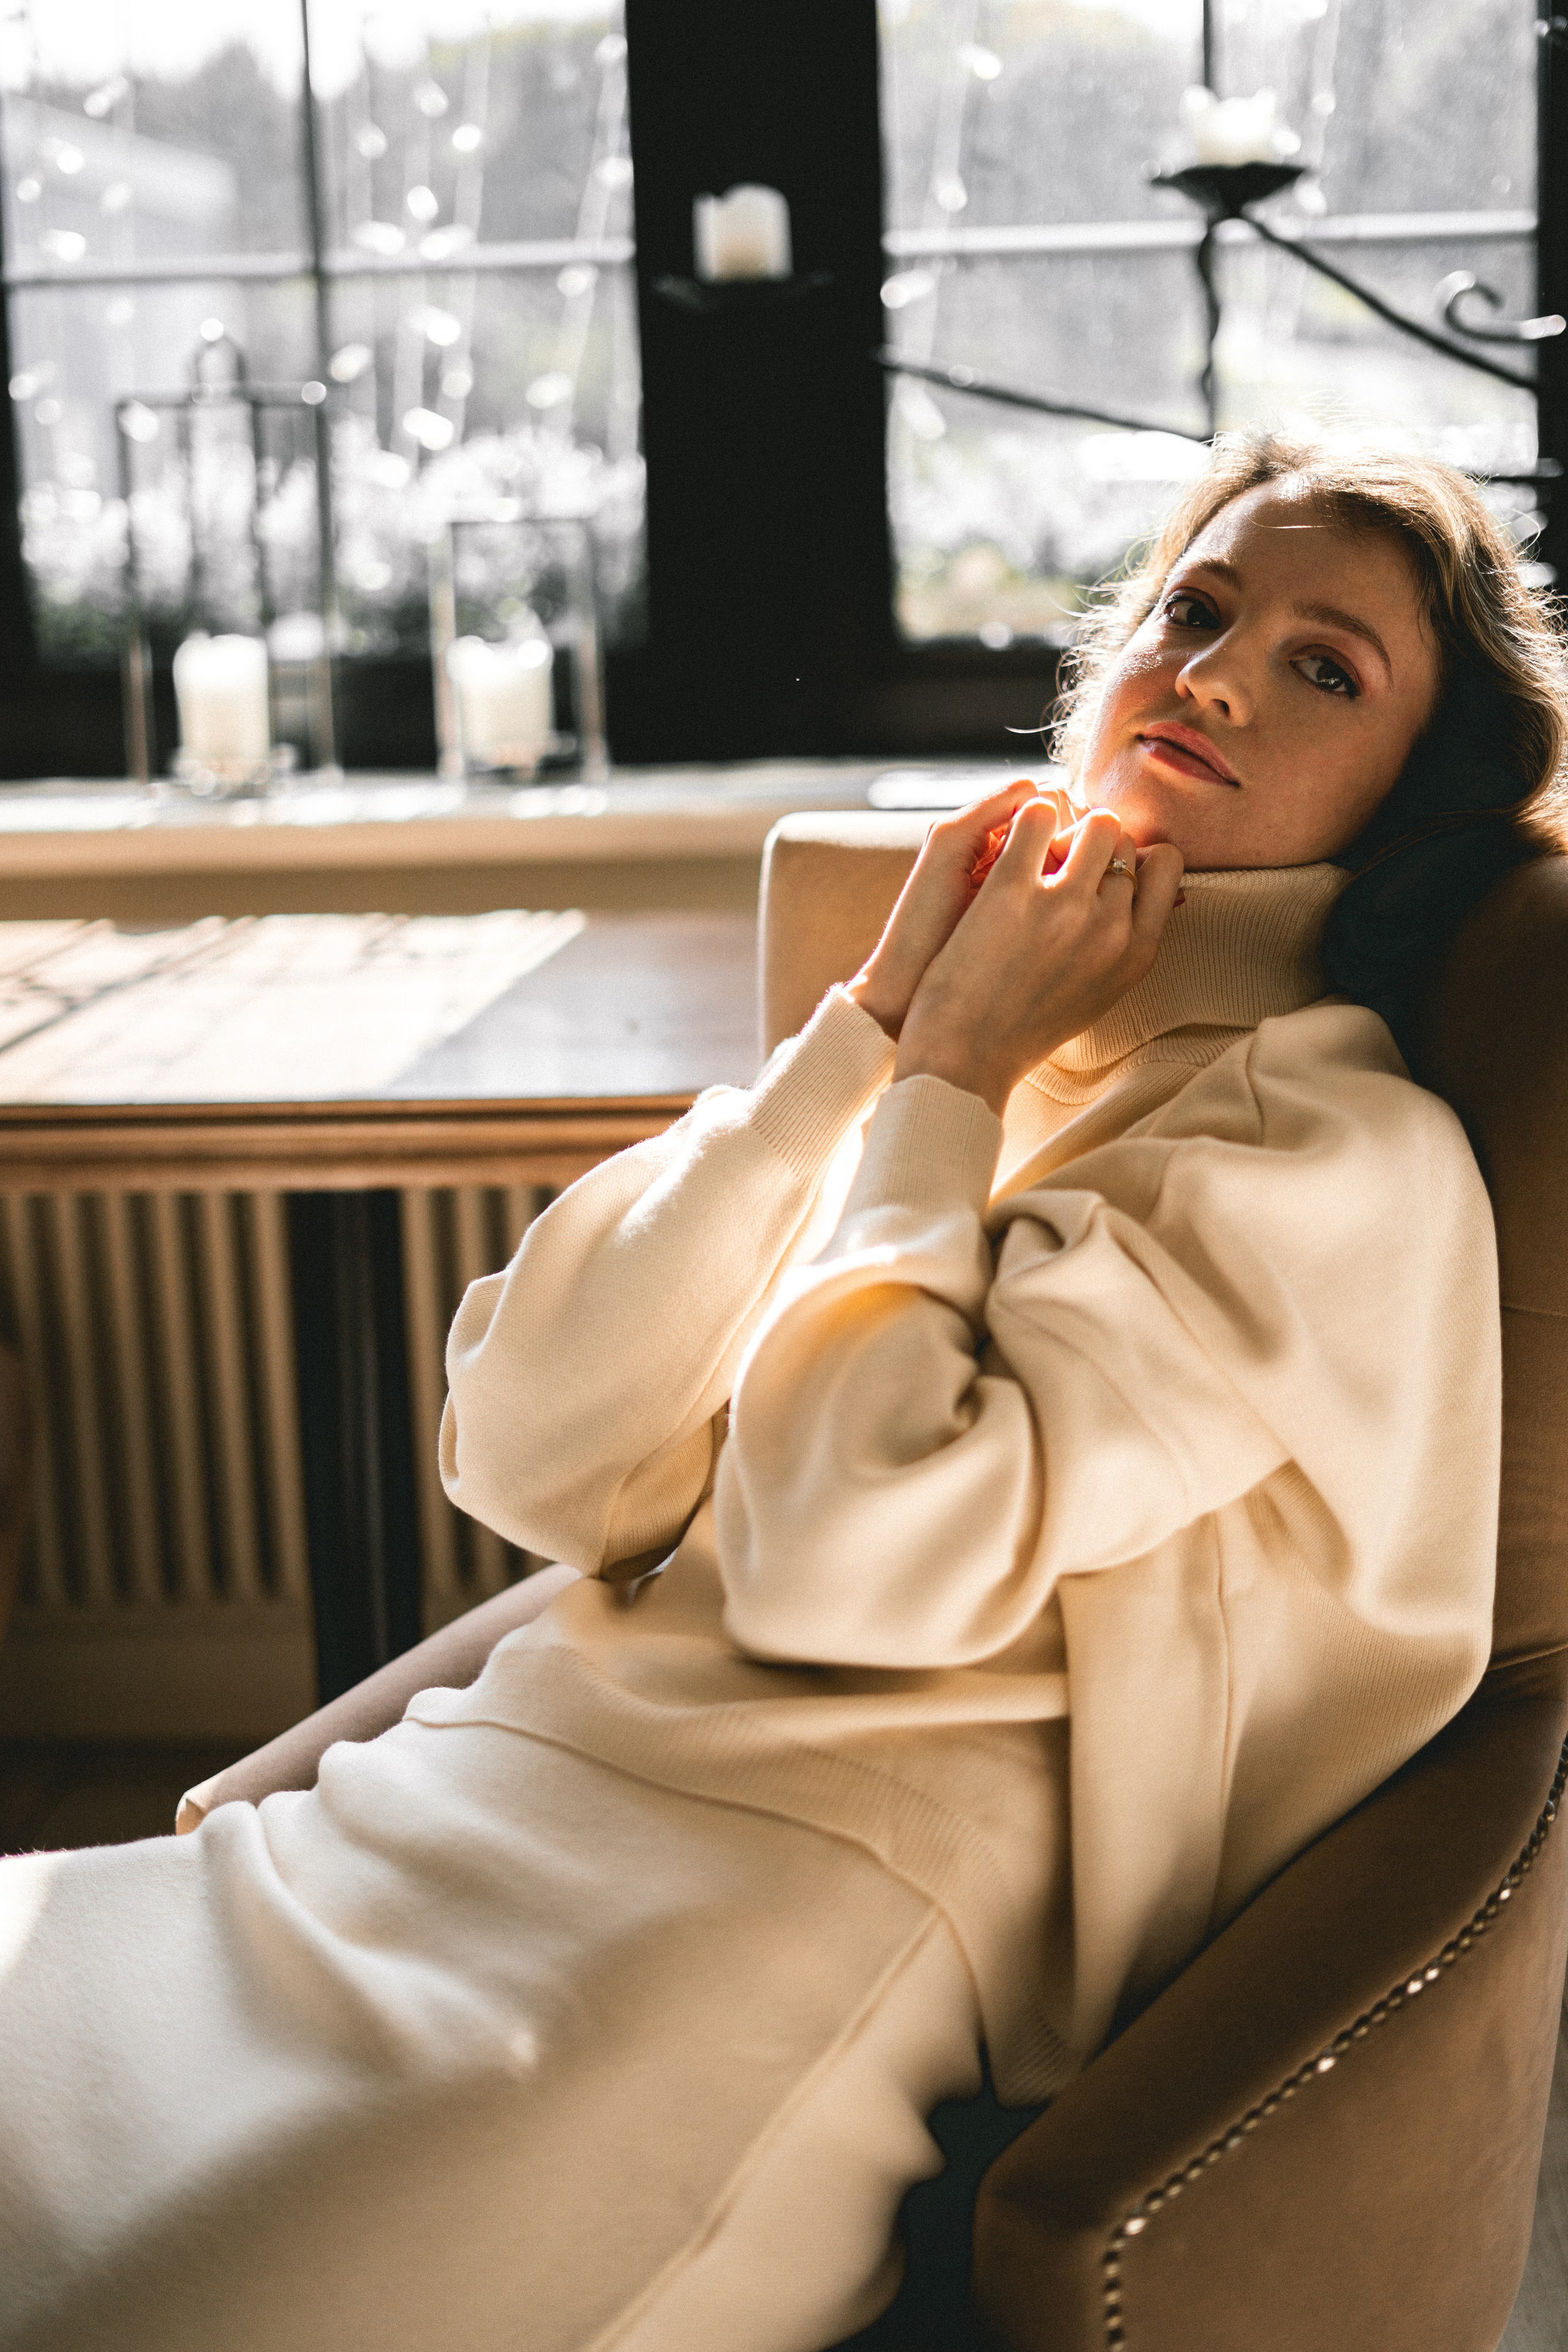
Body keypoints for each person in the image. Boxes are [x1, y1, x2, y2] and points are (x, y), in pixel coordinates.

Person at [2, 435, 1564, 2352]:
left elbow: (854, 1565)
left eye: (1328, 669)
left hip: (758, 1929)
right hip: (460, 1794)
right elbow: (534, 1446)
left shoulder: (1333, 1158)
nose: (1218, 673)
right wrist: (880, 1035)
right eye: (1197, 607)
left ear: (1412, 806)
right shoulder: (982, 1067)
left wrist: (952, 1083)